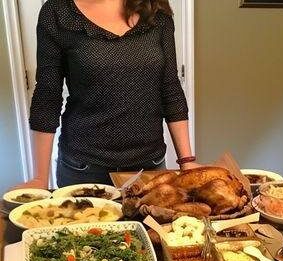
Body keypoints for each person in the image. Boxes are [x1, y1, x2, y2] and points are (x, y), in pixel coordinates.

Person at [17, 0, 196, 189]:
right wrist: (39, 178)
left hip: (149, 167)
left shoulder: (156, 9)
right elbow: (47, 95)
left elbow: (170, 87)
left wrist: (187, 161)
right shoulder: (57, 12)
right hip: (83, 169)